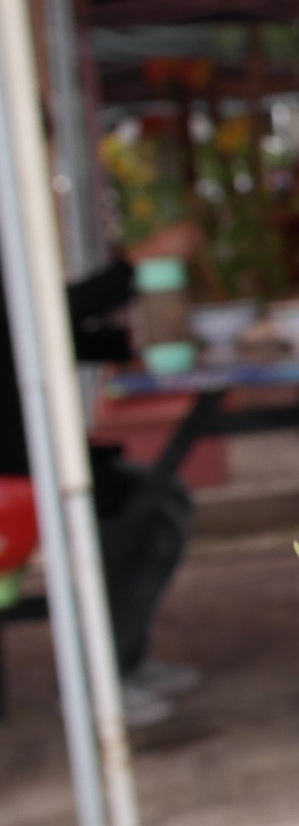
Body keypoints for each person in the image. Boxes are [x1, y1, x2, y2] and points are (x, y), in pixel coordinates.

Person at [0, 220, 205, 727]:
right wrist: (134, 265)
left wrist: (135, 341)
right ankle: (95, 679)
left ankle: (122, 660)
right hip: (16, 478)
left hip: (33, 460)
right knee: (138, 516)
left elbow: (44, 332)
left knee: (160, 499)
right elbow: (38, 319)